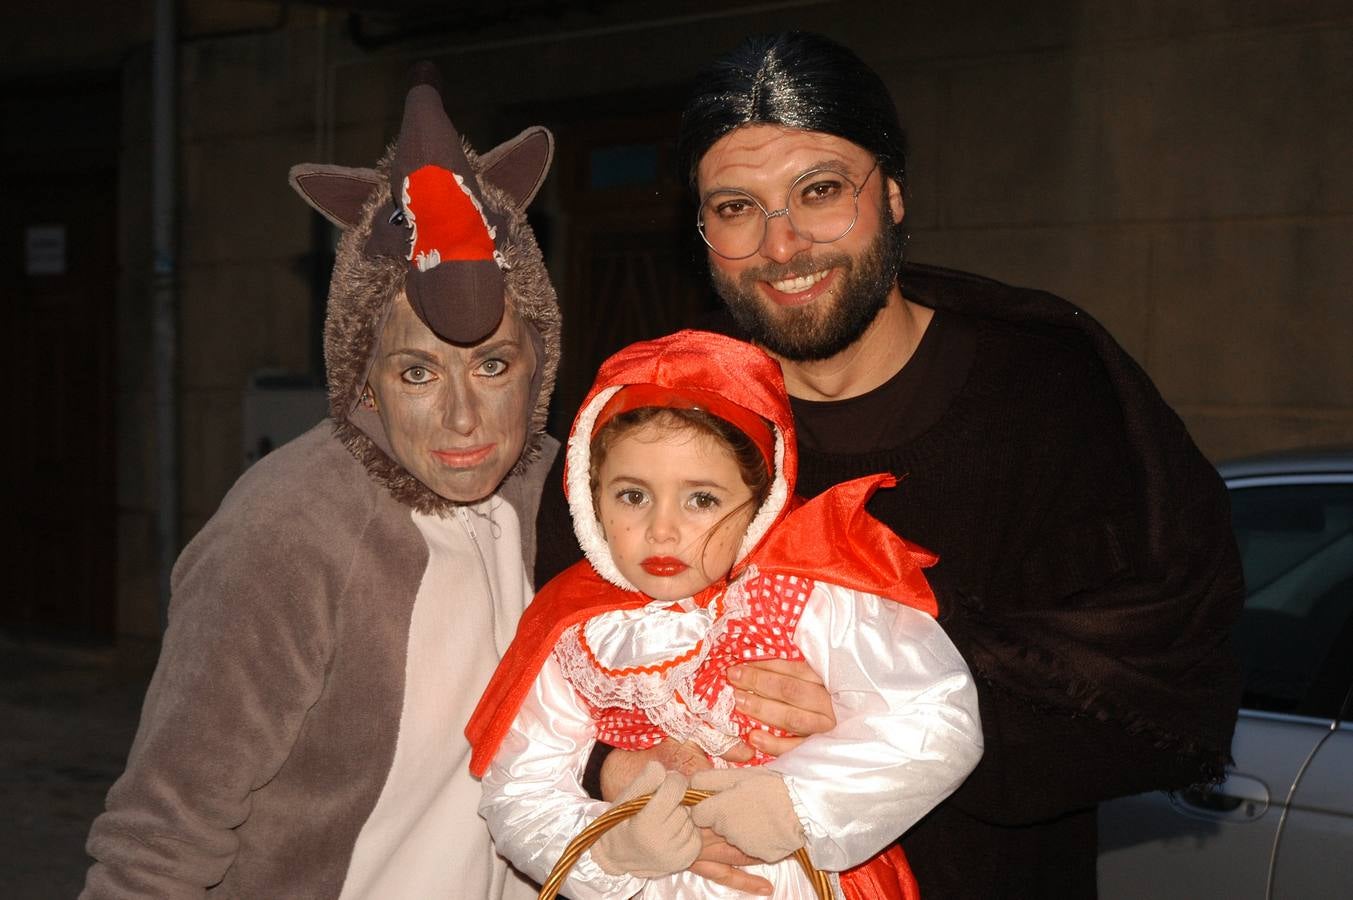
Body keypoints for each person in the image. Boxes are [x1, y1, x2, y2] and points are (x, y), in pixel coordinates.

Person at [534, 31, 1246, 899]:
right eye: (735, 208)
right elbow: (557, 645)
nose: (782, 243)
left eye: (820, 191)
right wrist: (616, 765)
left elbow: (1153, 666)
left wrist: (877, 714)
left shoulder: (1047, 394)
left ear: (894, 194)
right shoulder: (656, 410)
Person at [82, 67, 561, 898]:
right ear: (362, 377)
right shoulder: (286, 531)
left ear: (537, 364)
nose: (461, 421)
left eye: (491, 365)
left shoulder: (569, 495)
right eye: (417, 373)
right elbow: (161, 837)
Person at [467, 329, 982, 899]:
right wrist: (609, 850)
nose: (662, 529)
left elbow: (933, 715)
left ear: (760, 504)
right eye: (633, 496)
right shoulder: (572, 631)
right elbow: (518, 788)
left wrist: (798, 803)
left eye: (702, 499)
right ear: (591, 497)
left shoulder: (808, 593)